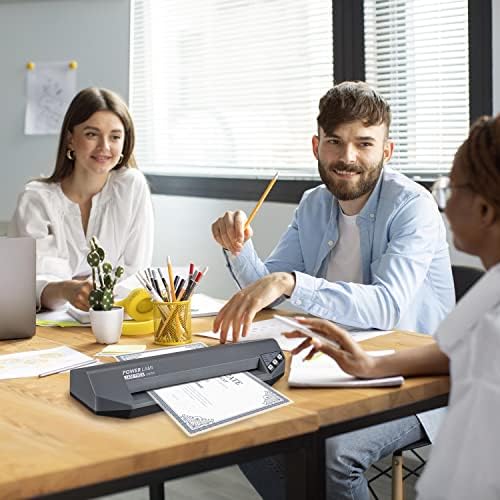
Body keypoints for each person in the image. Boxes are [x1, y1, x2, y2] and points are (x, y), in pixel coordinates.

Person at [211, 81, 455, 500]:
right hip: (333, 364)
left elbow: (387, 306)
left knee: (334, 453)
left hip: (419, 377)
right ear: (316, 145)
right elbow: (266, 286)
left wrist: (289, 282)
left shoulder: (412, 205)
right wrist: (239, 249)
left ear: (387, 150)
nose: (347, 157)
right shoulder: (313, 203)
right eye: (335, 142)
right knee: (240, 423)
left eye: (364, 143)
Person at [286, 114, 500, 500]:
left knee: (326, 451)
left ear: (485, 211)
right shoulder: (491, 298)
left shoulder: (408, 204)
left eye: (450, 191)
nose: (443, 208)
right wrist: (372, 364)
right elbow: (461, 351)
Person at [9, 87, 154, 312]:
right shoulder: (36, 200)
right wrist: (65, 290)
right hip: (47, 328)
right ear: (70, 139)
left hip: (116, 320)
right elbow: (24, 285)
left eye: (115, 137)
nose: (104, 147)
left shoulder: (131, 187)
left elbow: (136, 272)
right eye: (91, 134)